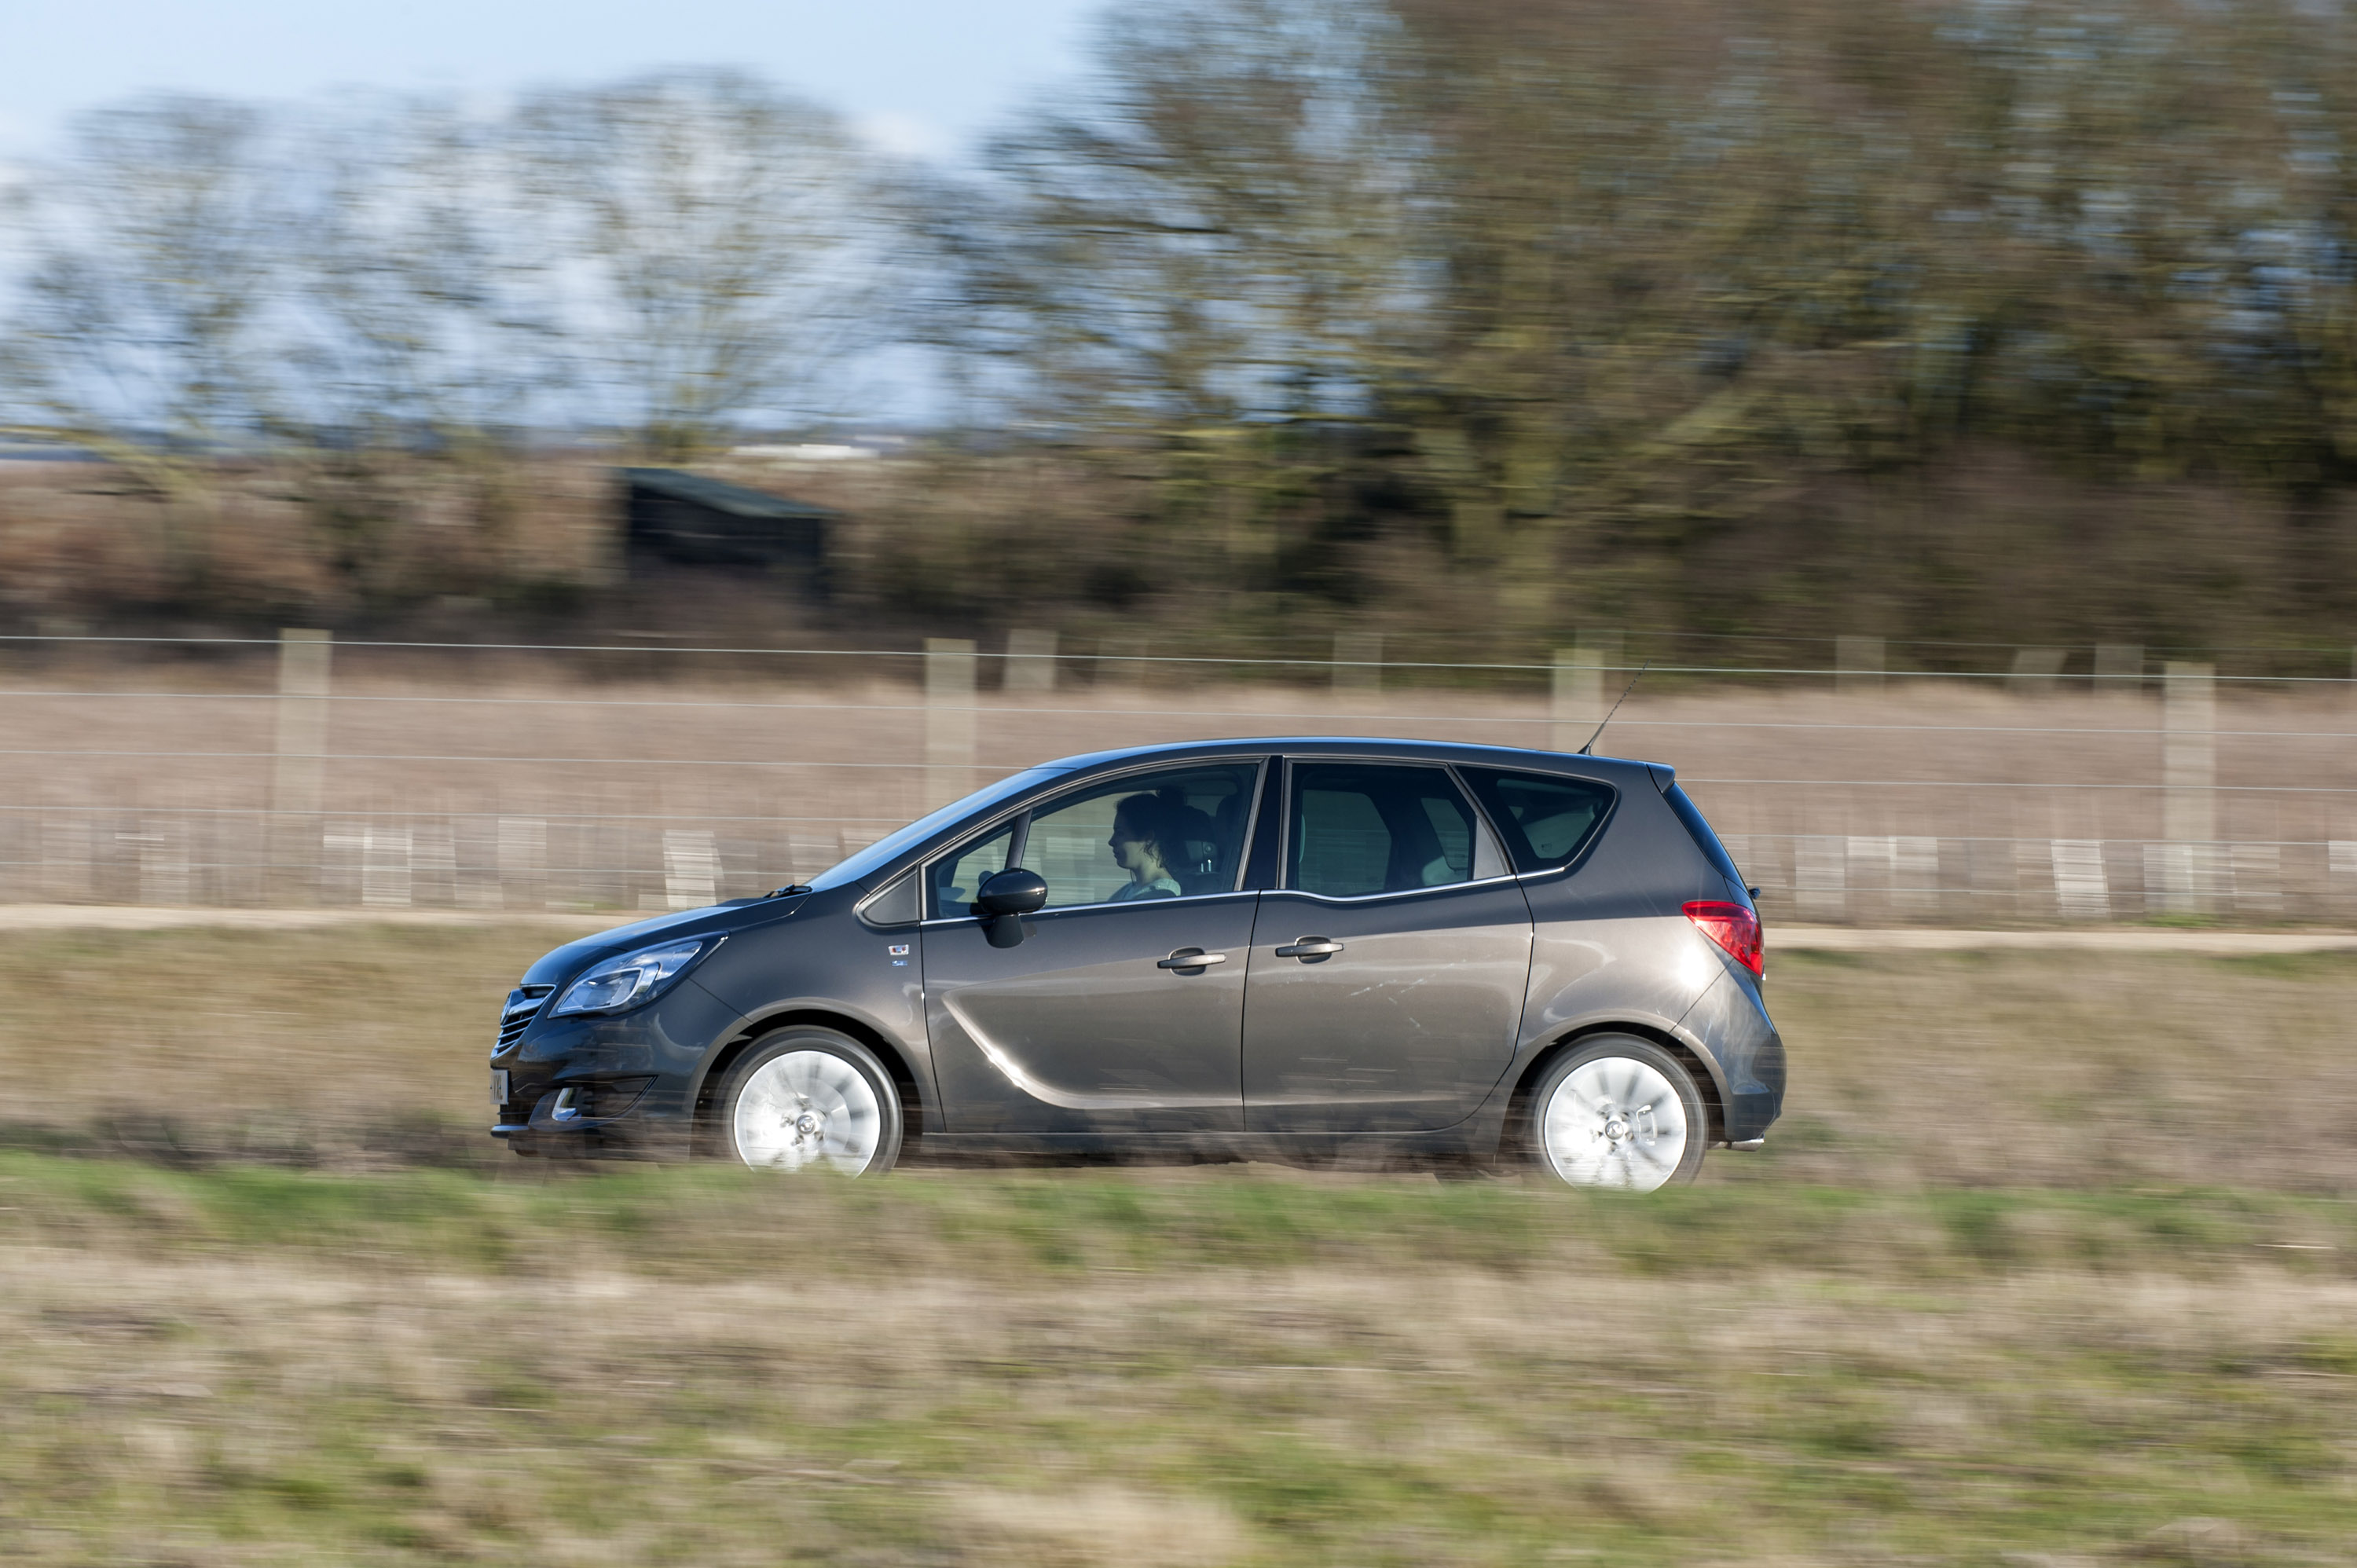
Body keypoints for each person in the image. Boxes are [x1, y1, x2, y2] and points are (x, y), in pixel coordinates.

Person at [1106, 793, 1183, 901]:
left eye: (1120, 833)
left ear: (1148, 838)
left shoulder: (1161, 895)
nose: (1111, 842)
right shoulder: (1130, 890)